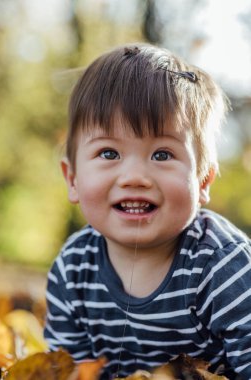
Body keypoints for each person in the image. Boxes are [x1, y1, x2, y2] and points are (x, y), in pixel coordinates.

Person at [44, 43, 251, 380]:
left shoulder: (223, 267)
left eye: (161, 155)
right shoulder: (72, 269)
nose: (135, 177)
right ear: (73, 179)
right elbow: (69, 371)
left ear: (203, 180)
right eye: (109, 153)